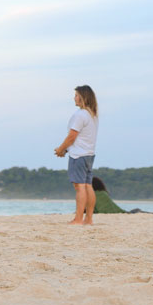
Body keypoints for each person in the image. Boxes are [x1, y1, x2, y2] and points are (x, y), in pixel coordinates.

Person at [54, 85, 99, 225]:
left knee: (80, 187)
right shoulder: (92, 114)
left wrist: (61, 149)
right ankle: (89, 219)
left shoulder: (80, 115)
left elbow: (72, 137)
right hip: (89, 154)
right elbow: (82, 138)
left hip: (78, 156)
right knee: (87, 185)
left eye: (76, 95)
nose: (74, 98)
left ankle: (78, 219)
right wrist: (66, 150)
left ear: (83, 97)